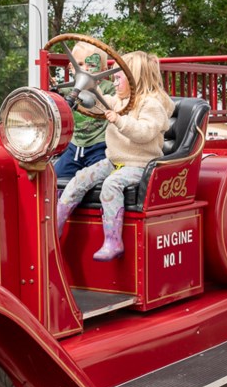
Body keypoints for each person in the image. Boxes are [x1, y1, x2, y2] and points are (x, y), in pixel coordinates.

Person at [56, 51, 175, 261]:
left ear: (135, 79)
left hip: (139, 164)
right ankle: (54, 228)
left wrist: (120, 121)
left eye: (119, 77)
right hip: (115, 161)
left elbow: (144, 132)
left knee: (112, 184)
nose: (114, 80)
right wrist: (85, 90)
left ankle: (113, 240)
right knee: (80, 178)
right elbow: (99, 103)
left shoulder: (152, 105)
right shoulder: (120, 100)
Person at [54, 42, 114, 181]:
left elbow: (113, 106)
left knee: (100, 179)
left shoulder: (108, 88)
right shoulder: (68, 90)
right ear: (71, 67)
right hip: (74, 146)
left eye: (92, 66)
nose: (85, 69)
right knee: (55, 178)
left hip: (99, 146)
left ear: (103, 70)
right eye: (79, 65)